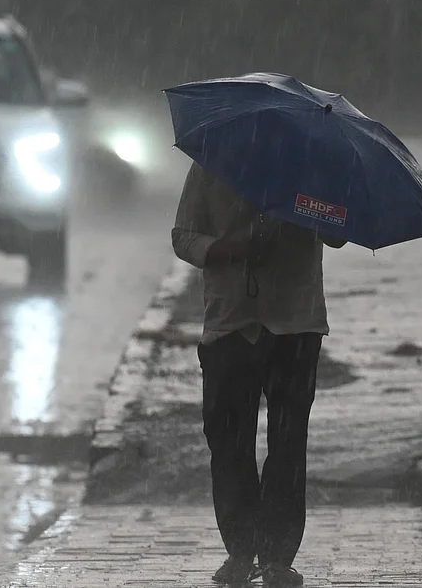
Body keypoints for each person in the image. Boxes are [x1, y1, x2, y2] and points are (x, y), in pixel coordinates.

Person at [171, 162, 346, 588]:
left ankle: (276, 558)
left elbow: (339, 232)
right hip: (230, 323)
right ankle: (240, 549)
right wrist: (230, 248)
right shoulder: (213, 164)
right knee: (227, 440)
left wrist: (302, 210)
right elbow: (184, 237)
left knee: (288, 444)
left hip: (296, 324)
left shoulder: (312, 168)